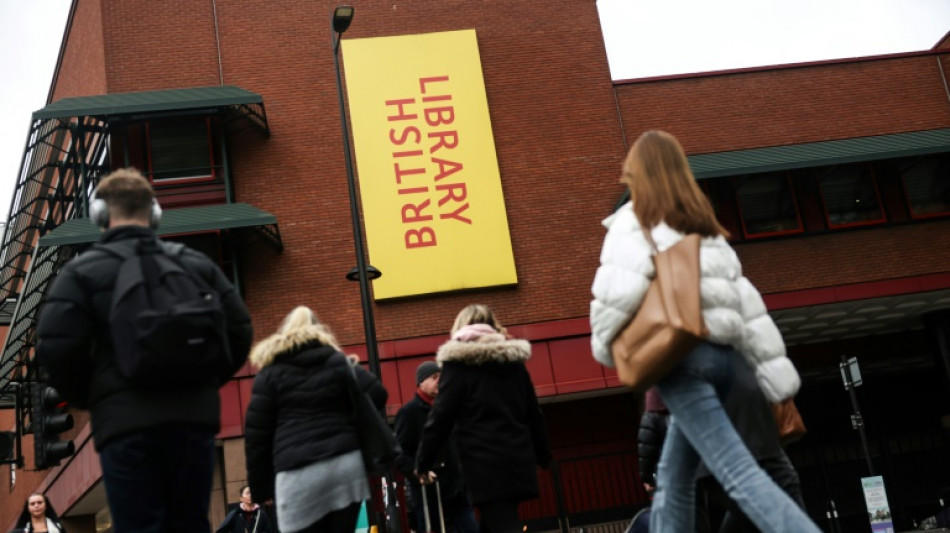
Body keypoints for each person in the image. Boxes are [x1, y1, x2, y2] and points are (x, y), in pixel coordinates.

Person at [589, 130, 820, 533]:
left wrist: (606, 347)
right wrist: (774, 379)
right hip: (730, 361)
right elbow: (748, 307)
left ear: (635, 172)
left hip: (682, 361)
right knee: (673, 480)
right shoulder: (704, 226)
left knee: (740, 476)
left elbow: (617, 294)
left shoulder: (632, 221)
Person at [35, 168, 253, 533]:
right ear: (154, 213)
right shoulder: (194, 264)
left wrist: (97, 397)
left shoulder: (80, 274)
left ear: (100, 215)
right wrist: (202, 382)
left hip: (125, 424)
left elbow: (57, 350)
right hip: (191, 419)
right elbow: (240, 331)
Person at [244, 306, 387, 533]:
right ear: (320, 331)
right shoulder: (337, 361)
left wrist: (262, 490)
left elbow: (257, 436)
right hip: (345, 466)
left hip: (297, 473)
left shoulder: (269, 374)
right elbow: (377, 393)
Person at [417, 304, 551, 533]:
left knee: (503, 523)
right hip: (517, 457)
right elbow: (532, 412)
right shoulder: (513, 363)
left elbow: (441, 417)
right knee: (493, 523)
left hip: (481, 463)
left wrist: (422, 462)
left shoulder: (457, 366)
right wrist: (544, 455)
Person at [394, 361, 478, 533]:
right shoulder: (409, 413)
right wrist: (417, 472)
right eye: (434, 377)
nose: (439, 381)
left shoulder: (449, 408)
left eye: (441, 377)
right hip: (428, 493)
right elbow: (399, 452)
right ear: (421, 382)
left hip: (456, 489)